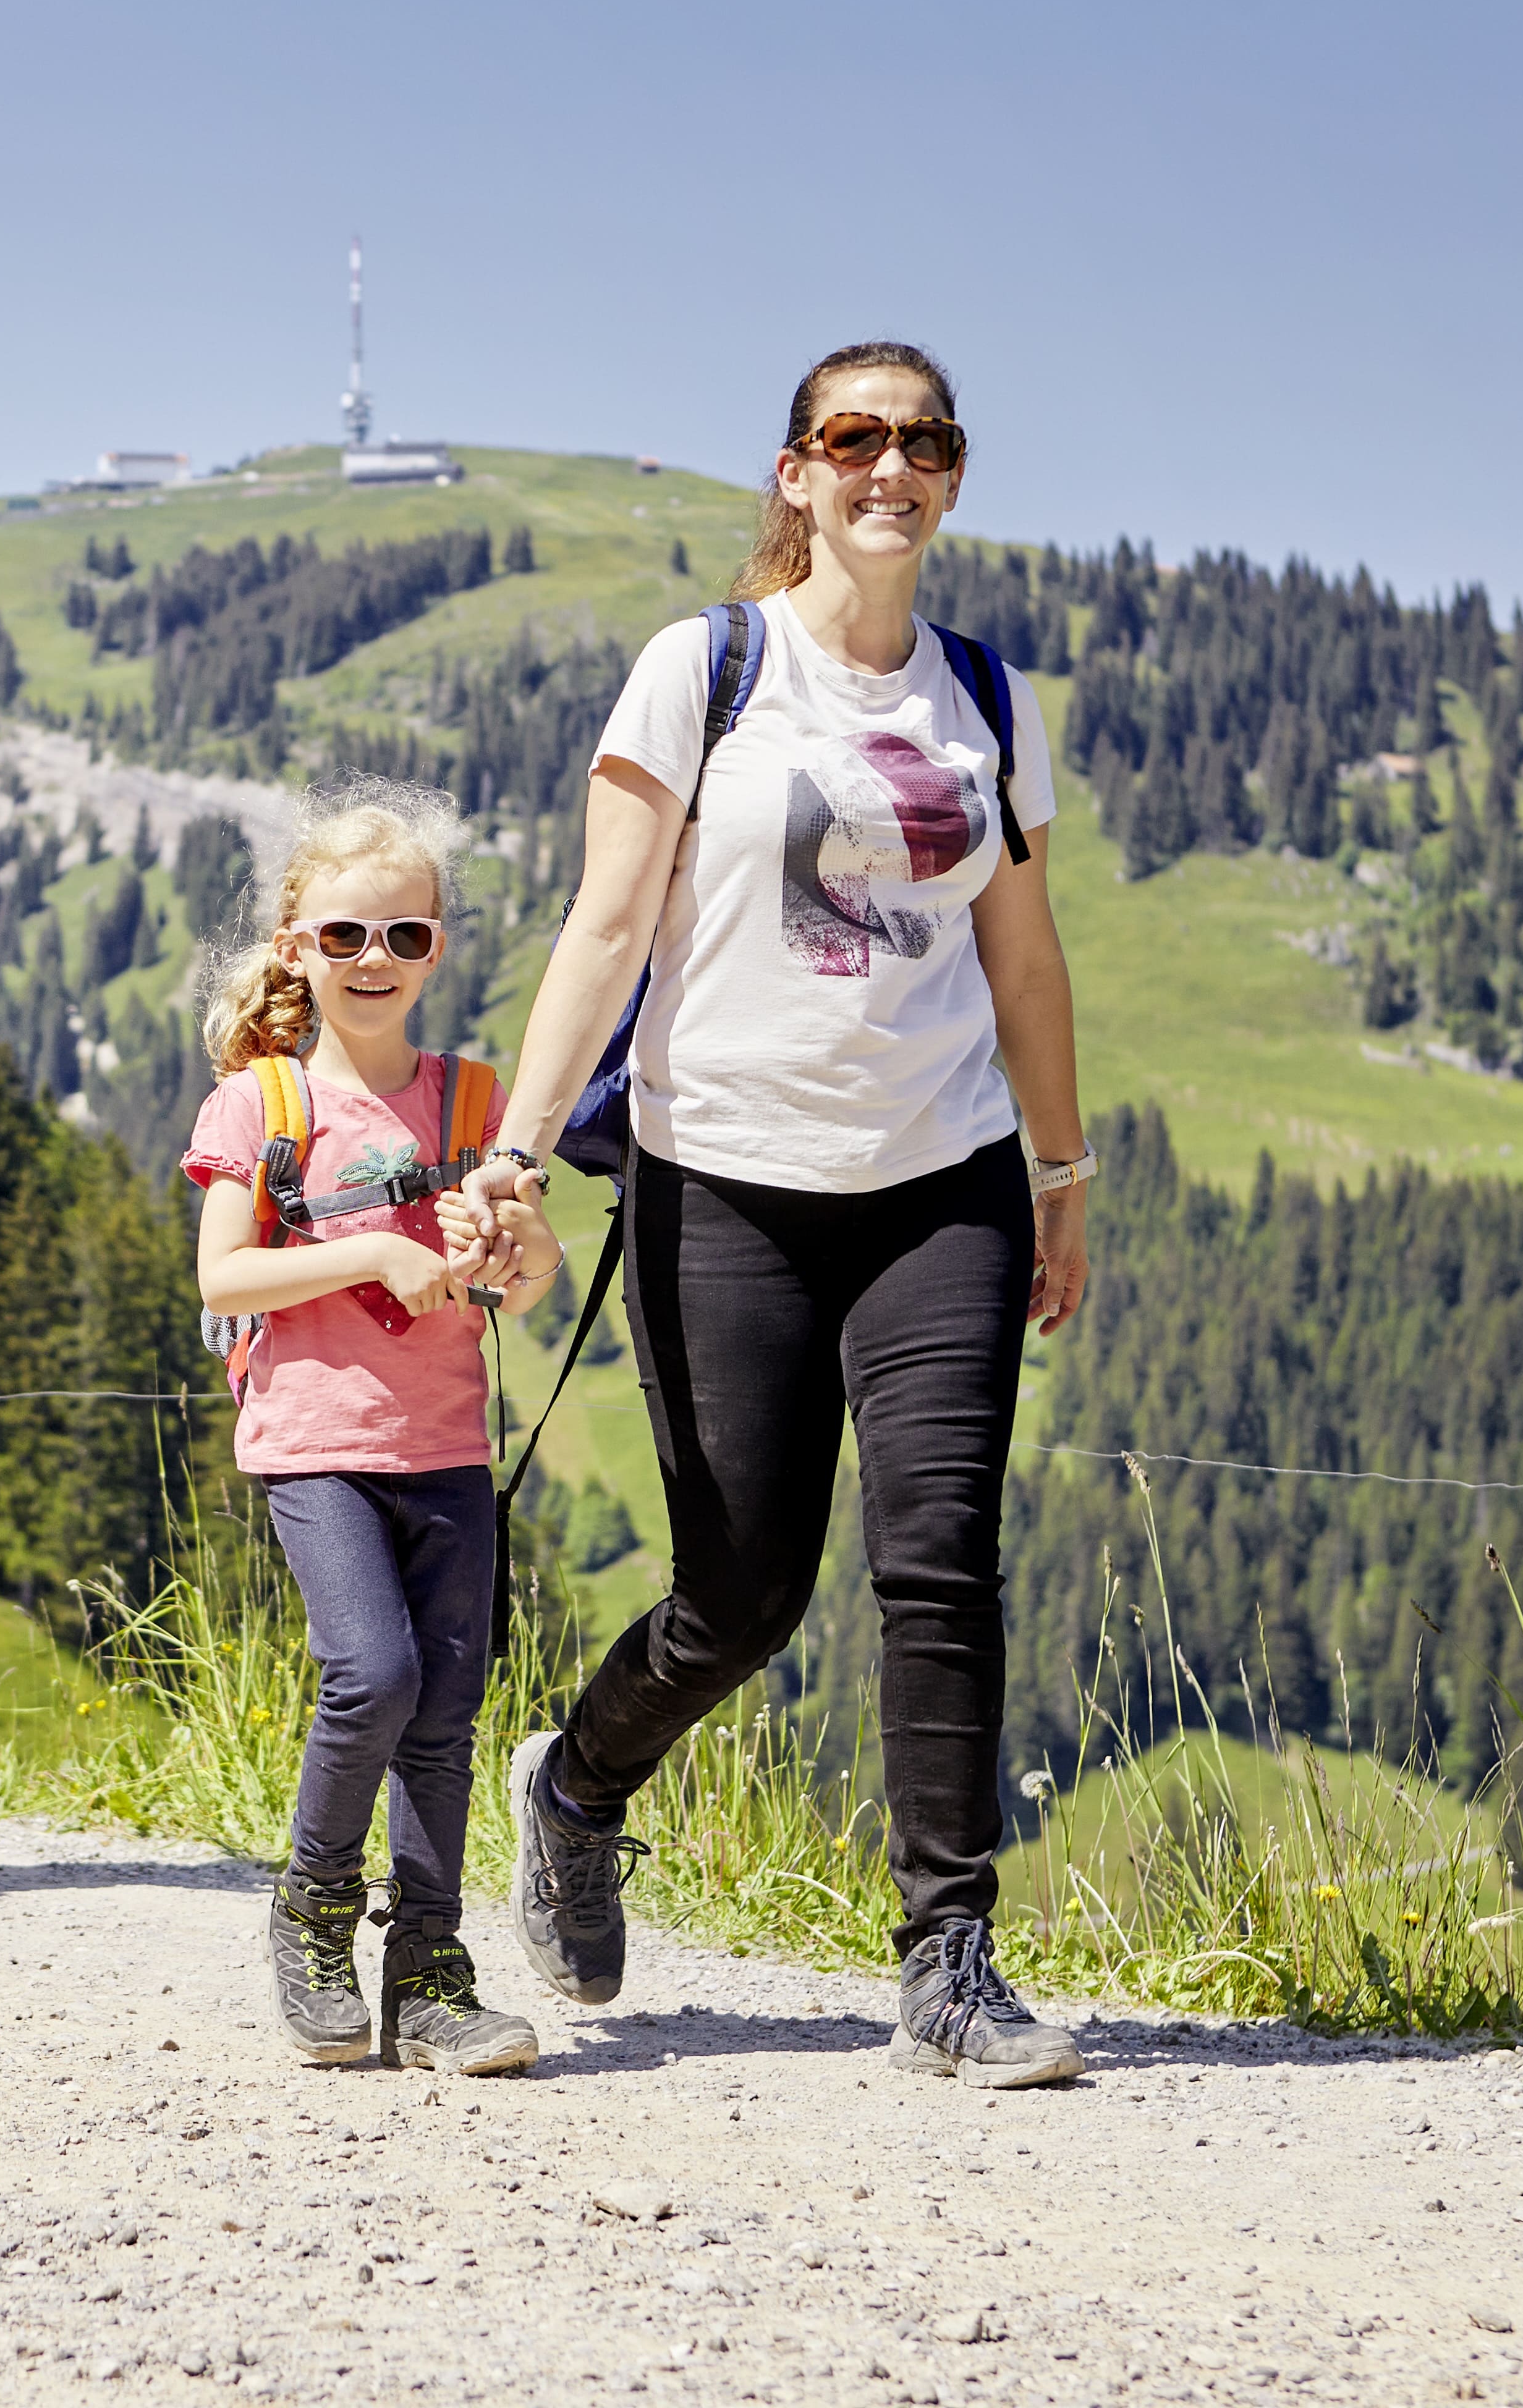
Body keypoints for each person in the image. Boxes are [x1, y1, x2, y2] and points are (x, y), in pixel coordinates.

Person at [459, 340, 1098, 2085]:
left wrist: (1058, 1172)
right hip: (721, 1178)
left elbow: (1023, 958)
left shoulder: (990, 697)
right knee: (742, 1597)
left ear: (954, 478)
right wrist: (513, 1153)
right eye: (855, 440)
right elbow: (605, 929)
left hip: (942, 1188)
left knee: (939, 1561)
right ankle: (577, 1781)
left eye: (924, 442)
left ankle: (950, 1967)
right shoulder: (707, 669)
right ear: (798, 473)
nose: (891, 468)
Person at [184, 787, 562, 2073]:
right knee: (373, 1675)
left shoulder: (474, 1098)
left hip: (446, 1441)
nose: (374, 963)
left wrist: (511, 1245)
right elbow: (224, 1278)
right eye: (344, 936)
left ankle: (432, 1973)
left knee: (448, 1706)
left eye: (405, 937)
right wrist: (373, 1258)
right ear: (296, 945)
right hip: (313, 1441)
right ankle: (312, 1910)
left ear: (438, 950)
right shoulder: (262, 1102)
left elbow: (521, 1277)